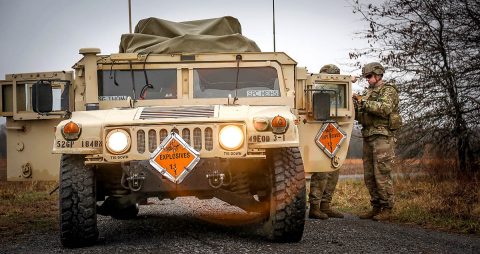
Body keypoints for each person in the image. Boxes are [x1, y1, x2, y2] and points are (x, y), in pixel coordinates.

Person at [352, 62, 401, 221]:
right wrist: (355, 104)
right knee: (369, 174)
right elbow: (360, 113)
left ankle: (387, 208)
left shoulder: (389, 90)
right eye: (366, 77)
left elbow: (384, 108)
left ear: (379, 74)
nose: (367, 79)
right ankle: (376, 206)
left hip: (382, 137)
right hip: (368, 135)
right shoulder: (368, 92)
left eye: (370, 76)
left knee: (382, 173)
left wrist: (363, 102)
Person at [308, 64, 344, 220]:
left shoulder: (339, 90)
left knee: (334, 170)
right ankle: (315, 207)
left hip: (334, 131)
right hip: (320, 129)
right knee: (321, 171)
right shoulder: (317, 86)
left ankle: (325, 206)